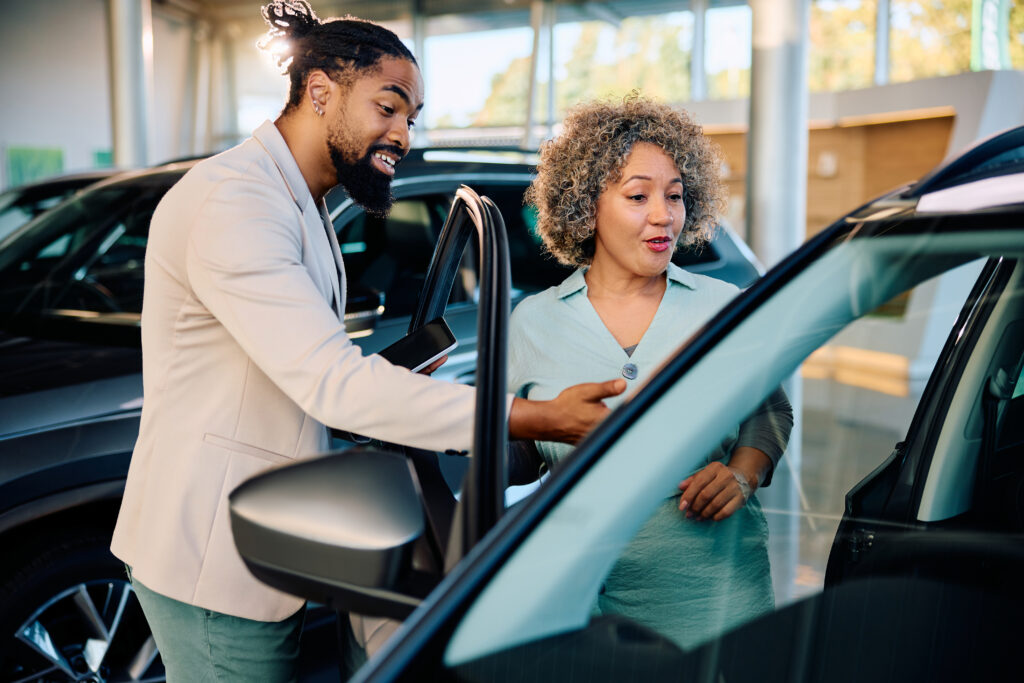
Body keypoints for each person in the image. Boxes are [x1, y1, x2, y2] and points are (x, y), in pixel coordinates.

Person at [110, 2, 625, 680]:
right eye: (388, 107)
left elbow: (293, 361)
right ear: (320, 90)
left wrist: (404, 376)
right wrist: (531, 415)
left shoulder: (300, 197)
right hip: (213, 553)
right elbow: (330, 382)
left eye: (411, 117)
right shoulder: (235, 201)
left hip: (266, 533)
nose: (403, 134)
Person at [508, 95, 793, 649]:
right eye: (638, 196)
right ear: (586, 205)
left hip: (714, 598)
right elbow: (516, 457)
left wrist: (742, 473)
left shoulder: (722, 306)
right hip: (577, 605)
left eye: (675, 196)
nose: (663, 215)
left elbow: (770, 411)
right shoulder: (532, 322)